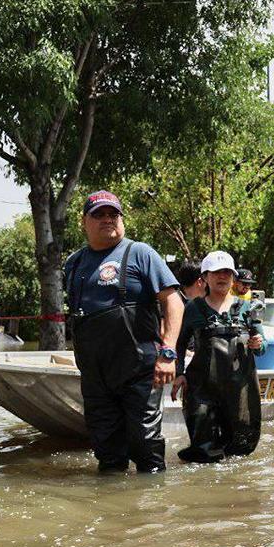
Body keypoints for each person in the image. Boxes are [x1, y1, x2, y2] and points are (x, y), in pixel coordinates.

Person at [64, 190, 183, 473]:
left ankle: (151, 511)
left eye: (113, 214)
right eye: (99, 215)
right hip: (96, 376)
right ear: (84, 222)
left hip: (140, 370)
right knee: (106, 451)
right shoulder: (73, 263)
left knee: (144, 445)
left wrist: (168, 353)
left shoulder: (140, 253)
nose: (107, 219)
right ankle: (111, 511)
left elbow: (173, 302)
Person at [171, 251, 265, 462]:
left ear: (233, 277)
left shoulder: (248, 308)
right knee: (203, 453)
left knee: (240, 452)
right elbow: (179, 344)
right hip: (202, 389)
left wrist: (258, 343)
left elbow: (262, 345)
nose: (221, 277)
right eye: (215, 272)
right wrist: (179, 374)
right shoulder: (193, 309)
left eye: (226, 272)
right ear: (204, 277)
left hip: (240, 390)